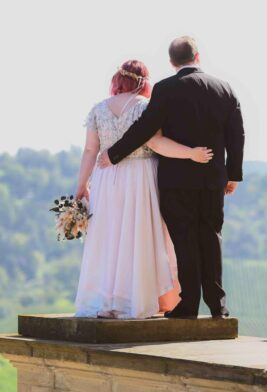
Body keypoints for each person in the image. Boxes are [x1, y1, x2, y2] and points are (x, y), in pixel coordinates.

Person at [98, 37, 245, 319]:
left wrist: (114, 154)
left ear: (172, 62)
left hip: (176, 180)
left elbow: (145, 129)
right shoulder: (224, 89)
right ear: (197, 56)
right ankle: (218, 306)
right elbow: (236, 134)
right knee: (211, 238)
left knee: (184, 239)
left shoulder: (165, 89)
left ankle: (188, 304)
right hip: (213, 178)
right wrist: (233, 174)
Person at [74, 59, 213, 319]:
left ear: (117, 80)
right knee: (140, 236)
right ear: (144, 82)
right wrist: (190, 154)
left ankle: (110, 299)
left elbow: (90, 151)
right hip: (140, 177)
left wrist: (82, 185)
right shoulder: (145, 107)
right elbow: (157, 144)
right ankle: (140, 298)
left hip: (106, 178)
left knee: (111, 237)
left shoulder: (98, 109)